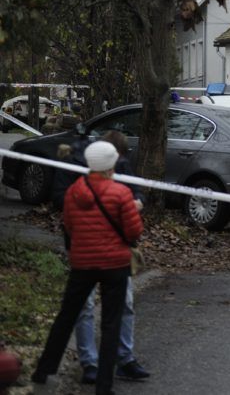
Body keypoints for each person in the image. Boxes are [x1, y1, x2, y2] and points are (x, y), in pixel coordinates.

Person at [32, 141, 143, 395]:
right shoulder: (121, 193)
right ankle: (104, 386)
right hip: (115, 265)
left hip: (82, 263)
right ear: (111, 165)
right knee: (111, 324)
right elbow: (134, 230)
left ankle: (43, 369)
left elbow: (68, 225)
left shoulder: (73, 192)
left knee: (66, 317)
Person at [73, 131, 150, 384]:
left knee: (123, 305)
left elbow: (138, 195)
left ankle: (124, 359)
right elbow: (65, 208)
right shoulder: (76, 171)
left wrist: (135, 202)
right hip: (87, 252)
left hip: (116, 253)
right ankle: (90, 363)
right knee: (86, 307)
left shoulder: (124, 169)